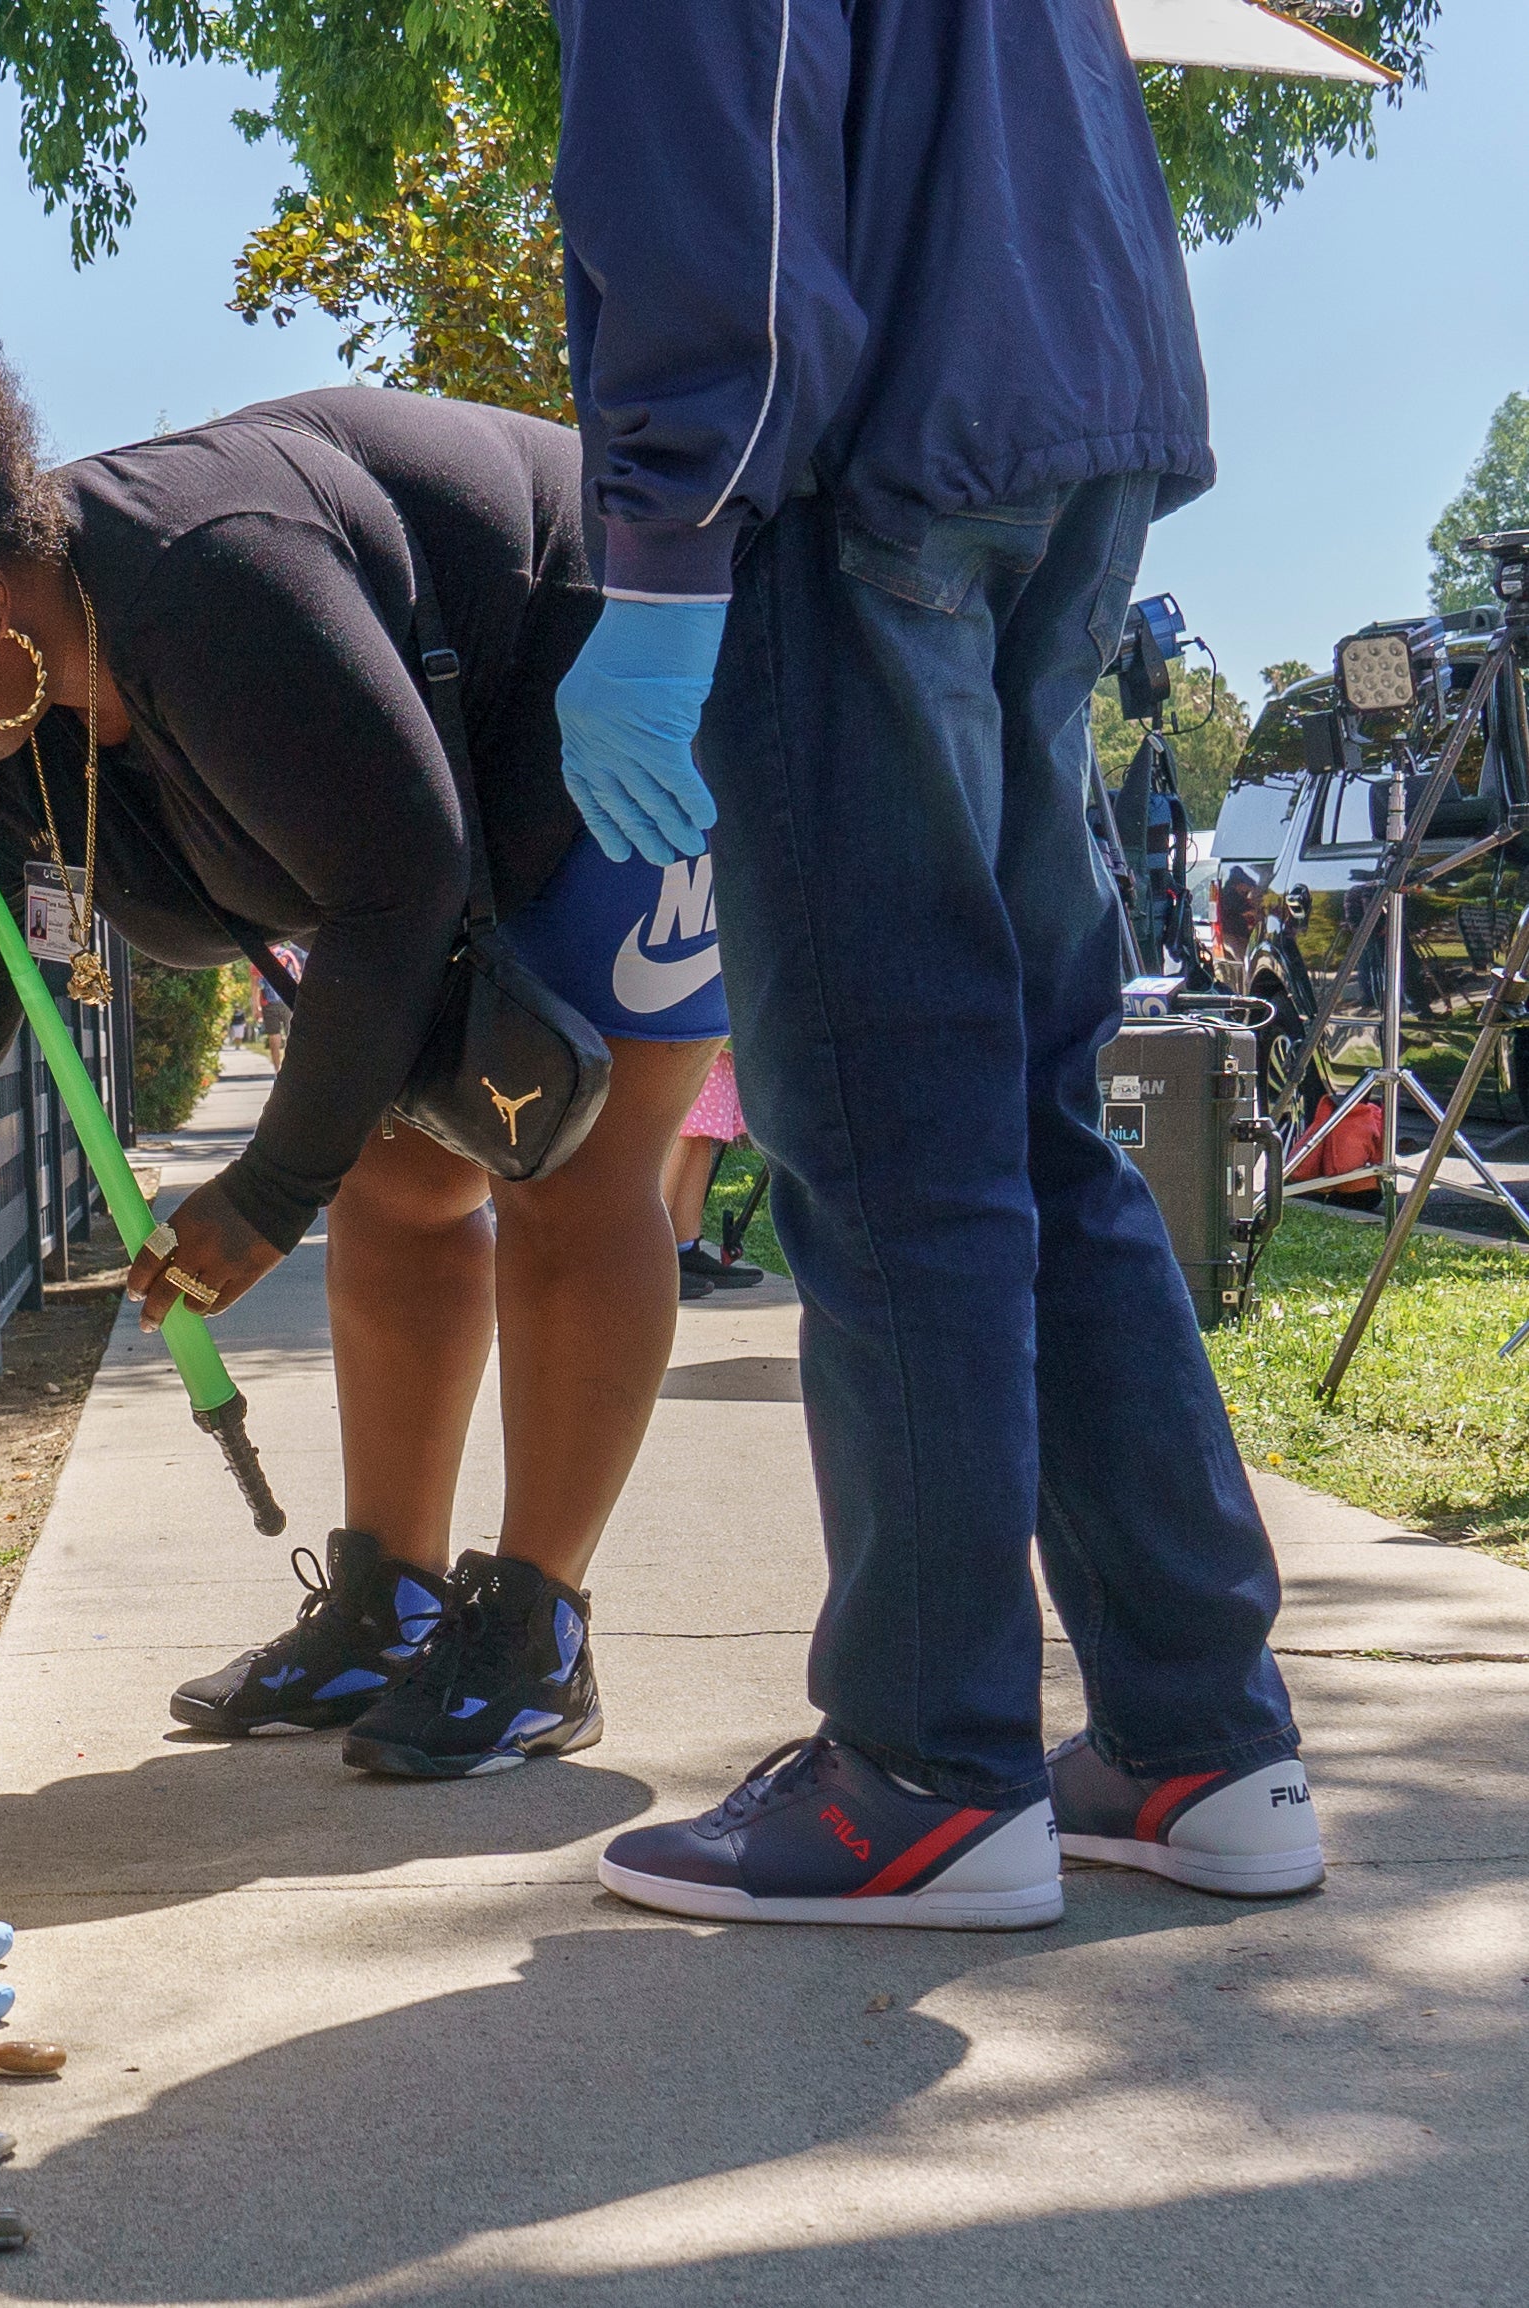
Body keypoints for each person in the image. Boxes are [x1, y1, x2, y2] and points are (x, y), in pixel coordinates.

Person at [548, 1, 1319, 1925]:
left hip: (852, 463)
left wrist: (659, 546)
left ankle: (923, 1765)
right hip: (1058, 420)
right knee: (1034, 1113)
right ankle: (1198, 1737)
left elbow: (706, 140)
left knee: (894, 1127)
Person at [0, 316, 728, 1780]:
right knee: (405, 1186)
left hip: (606, 675)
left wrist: (266, 1190)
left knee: (574, 1172)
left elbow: (395, 874)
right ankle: (394, 1606)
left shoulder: (207, 578)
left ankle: (536, 1635)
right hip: (452, 803)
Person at [662, 1045, 758, 1300]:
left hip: (709, 1032)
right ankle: (648, 1254)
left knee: (700, 1127)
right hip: (678, 1027)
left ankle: (685, 1248)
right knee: (679, 1121)